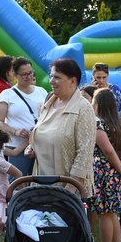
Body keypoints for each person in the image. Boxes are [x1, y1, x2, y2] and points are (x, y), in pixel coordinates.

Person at [28, 58, 96, 195]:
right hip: (41, 185)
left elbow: (84, 154)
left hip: (67, 191)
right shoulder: (49, 101)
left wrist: (69, 190)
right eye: (51, 76)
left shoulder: (84, 109)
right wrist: (33, 147)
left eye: (57, 77)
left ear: (73, 81)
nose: (51, 81)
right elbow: (44, 133)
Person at [91, 88, 121, 242]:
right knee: (112, 212)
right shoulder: (119, 124)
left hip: (104, 172)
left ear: (98, 104)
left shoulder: (99, 124)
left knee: (105, 214)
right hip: (117, 172)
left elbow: (107, 151)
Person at [0, 57, 48, 175]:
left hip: (41, 144)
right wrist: (15, 131)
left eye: (30, 73)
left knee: (41, 181)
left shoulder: (42, 92)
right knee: (18, 181)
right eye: (24, 74)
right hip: (17, 146)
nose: (29, 77)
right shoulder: (6, 95)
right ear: (15, 74)